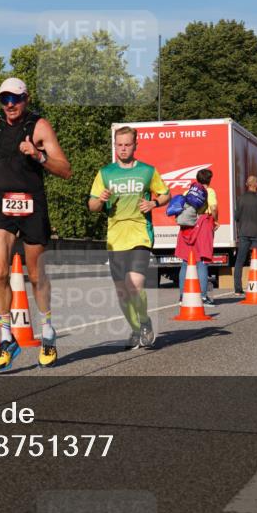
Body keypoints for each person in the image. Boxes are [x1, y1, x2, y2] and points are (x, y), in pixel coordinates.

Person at [0, 77, 71, 371]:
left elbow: (65, 170)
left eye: (15, 99)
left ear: (26, 99)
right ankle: (7, 338)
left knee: (36, 275)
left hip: (32, 206)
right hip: (3, 203)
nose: (10, 104)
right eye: (4, 99)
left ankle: (48, 333)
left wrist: (38, 155)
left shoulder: (39, 127)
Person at [89, 126, 170, 349]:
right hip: (115, 237)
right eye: (119, 145)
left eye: (127, 145)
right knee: (122, 292)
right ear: (115, 145)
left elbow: (166, 194)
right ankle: (136, 329)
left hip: (140, 233)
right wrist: (100, 199)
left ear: (135, 146)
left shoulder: (147, 171)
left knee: (134, 283)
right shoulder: (105, 173)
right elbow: (92, 205)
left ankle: (145, 322)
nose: (123, 149)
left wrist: (153, 203)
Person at [177, 169, 218, 306]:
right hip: (202, 225)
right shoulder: (209, 191)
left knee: (185, 262)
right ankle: (203, 297)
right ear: (209, 180)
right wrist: (216, 220)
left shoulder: (188, 192)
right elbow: (213, 207)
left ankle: (182, 297)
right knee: (202, 261)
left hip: (187, 227)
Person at [233, 175, 257, 297]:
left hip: (244, 232)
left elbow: (236, 216)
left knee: (240, 260)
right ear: (255, 185)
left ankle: (238, 289)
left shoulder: (240, 198)